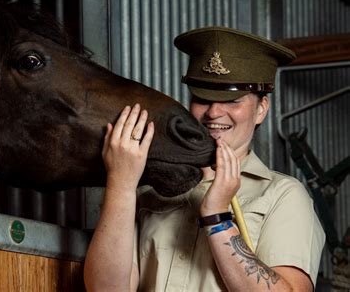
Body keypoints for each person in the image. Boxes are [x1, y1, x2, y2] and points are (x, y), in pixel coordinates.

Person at [83, 26, 325, 291]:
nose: (214, 112)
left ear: (261, 110)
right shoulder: (150, 192)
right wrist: (121, 184)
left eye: (232, 100)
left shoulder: (283, 195)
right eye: (202, 97)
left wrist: (217, 217)